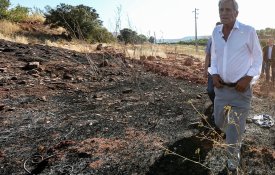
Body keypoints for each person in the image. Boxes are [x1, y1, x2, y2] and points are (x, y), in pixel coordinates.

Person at [210, 0, 262, 172]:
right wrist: (214, 74)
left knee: (234, 128)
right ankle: (233, 135)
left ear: (236, 13)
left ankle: (232, 160)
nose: (223, 13)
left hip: (240, 91)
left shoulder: (248, 31)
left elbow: (257, 59)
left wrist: (247, 79)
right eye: (221, 9)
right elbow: (215, 57)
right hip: (222, 90)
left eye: (228, 9)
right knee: (219, 122)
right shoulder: (216, 32)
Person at [204, 22, 222, 105]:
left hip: (223, 69)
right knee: (210, 90)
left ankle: (219, 109)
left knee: (222, 91)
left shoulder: (228, 40)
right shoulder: (211, 40)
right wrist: (205, 70)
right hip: (212, 69)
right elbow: (208, 55)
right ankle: (215, 105)